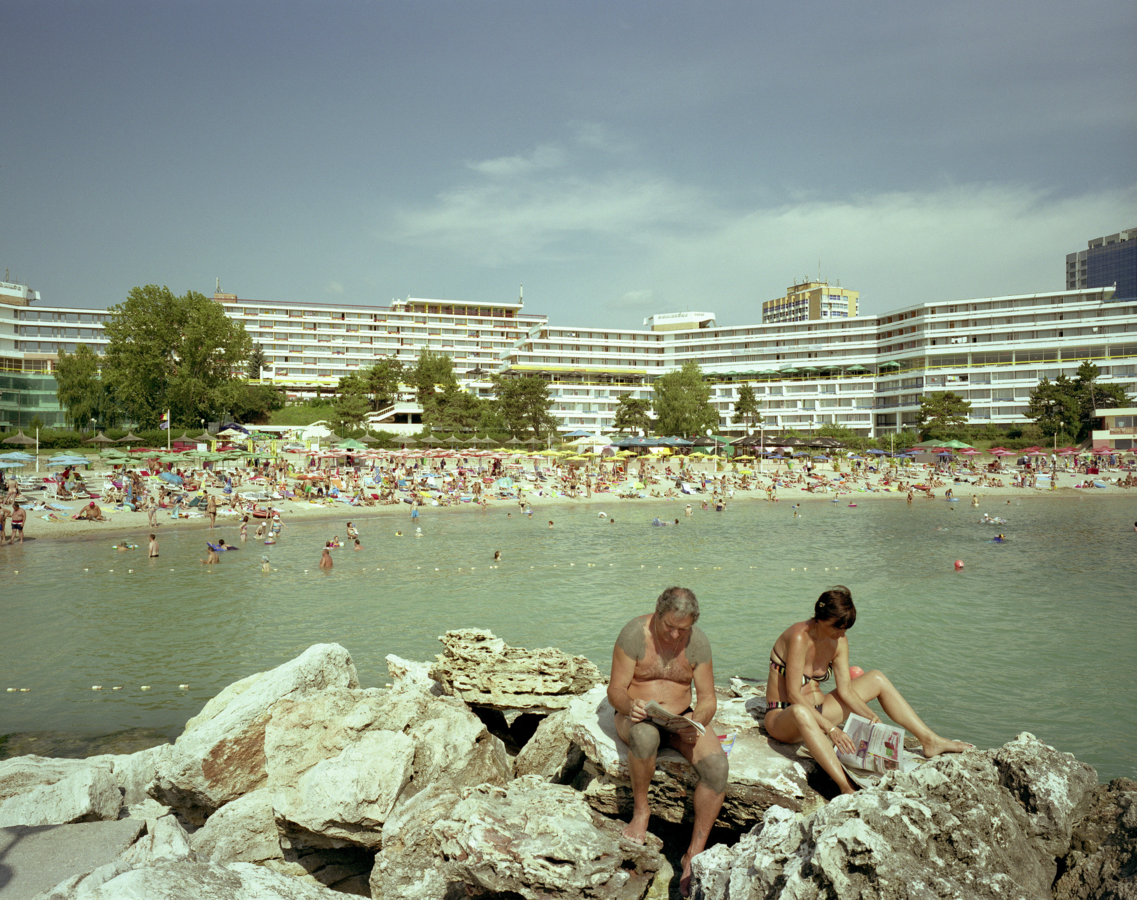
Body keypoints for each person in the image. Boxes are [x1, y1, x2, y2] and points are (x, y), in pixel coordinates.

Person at [762, 586, 972, 796]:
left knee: (876, 678)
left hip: (820, 711)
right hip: (785, 718)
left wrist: (870, 716)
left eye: (845, 628)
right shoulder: (799, 637)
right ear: (821, 617)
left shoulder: (838, 640)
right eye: (837, 627)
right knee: (801, 711)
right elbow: (794, 695)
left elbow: (846, 690)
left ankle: (930, 740)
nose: (841, 633)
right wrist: (832, 729)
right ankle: (846, 787)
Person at [608, 587, 727, 896]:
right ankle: (641, 813)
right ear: (657, 613)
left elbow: (708, 699)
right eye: (669, 626)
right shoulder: (634, 634)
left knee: (717, 767)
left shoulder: (698, 642)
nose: (675, 635)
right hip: (637, 715)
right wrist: (629, 705)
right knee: (645, 736)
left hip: (681, 718)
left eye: (682, 629)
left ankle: (693, 853)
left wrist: (697, 721)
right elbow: (615, 690)